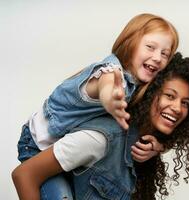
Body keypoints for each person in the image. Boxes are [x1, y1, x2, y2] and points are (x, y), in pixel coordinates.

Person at [12, 52, 189, 200]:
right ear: (150, 95)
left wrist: (162, 146)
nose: (178, 108)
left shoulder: (145, 148)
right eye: (170, 96)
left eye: (185, 103)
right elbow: (25, 175)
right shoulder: (101, 138)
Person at [12, 13, 179, 200]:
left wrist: (159, 147)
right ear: (130, 42)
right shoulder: (110, 71)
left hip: (65, 152)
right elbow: (105, 86)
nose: (157, 57)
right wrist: (109, 99)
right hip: (37, 144)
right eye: (150, 47)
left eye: (165, 54)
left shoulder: (140, 87)